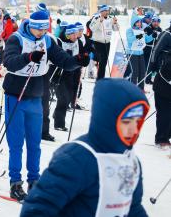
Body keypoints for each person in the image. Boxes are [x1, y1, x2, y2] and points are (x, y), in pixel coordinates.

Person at [20, 78, 149, 217]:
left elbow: (133, 207)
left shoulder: (131, 161)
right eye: (127, 121)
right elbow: (37, 209)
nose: (134, 129)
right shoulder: (76, 158)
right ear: (108, 118)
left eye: (138, 121)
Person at [2, 11, 89, 201]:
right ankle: (15, 183)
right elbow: (8, 62)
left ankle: (34, 181)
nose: (41, 33)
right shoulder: (16, 39)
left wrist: (77, 61)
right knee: (16, 143)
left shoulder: (48, 40)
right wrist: (28, 57)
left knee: (34, 143)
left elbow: (63, 60)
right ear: (30, 25)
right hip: (15, 96)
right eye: (38, 29)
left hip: (36, 96)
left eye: (44, 29)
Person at [52, 24, 86, 131]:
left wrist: (84, 59)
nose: (77, 36)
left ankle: (57, 114)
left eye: (77, 34)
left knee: (70, 97)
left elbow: (82, 55)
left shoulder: (79, 42)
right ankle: (59, 123)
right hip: (61, 73)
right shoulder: (59, 42)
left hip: (74, 73)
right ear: (68, 34)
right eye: (74, 34)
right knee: (63, 98)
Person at [89, 5, 119, 80]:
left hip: (107, 43)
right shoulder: (96, 18)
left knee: (104, 62)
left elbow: (116, 29)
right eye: (105, 11)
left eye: (107, 11)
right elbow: (92, 28)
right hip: (98, 43)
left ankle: (101, 78)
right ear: (101, 11)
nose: (107, 12)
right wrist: (100, 21)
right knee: (101, 60)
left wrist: (115, 23)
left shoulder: (110, 19)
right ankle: (98, 78)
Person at [152, 43, 171, 149]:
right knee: (165, 114)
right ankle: (161, 139)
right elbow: (166, 71)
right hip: (162, 88)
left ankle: (166, 137)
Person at [126, 16, 147, 90]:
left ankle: (141, 89)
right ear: (134, 23)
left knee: (142, 72)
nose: (139, 23)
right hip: (132, 53)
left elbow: (146, 39)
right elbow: (130, 40)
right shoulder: (130, 30)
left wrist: (152, 36)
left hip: (140, 53)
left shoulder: (142, 30)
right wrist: (138, 36)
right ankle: (133, 89)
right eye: (137, 22)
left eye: (140, 22)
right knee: (134, 72)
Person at [144, 15, 162, 84]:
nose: (156, 23)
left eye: (157, 22)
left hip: (155, 49)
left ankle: (156, 80)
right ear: (152, 22)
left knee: (155, 65)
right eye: (154, 21)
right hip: (147, 49)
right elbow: (144, 39)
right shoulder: (148, 28)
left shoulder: (160, 29)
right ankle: (147, 79)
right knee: (148, 65)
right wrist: (152, 35)